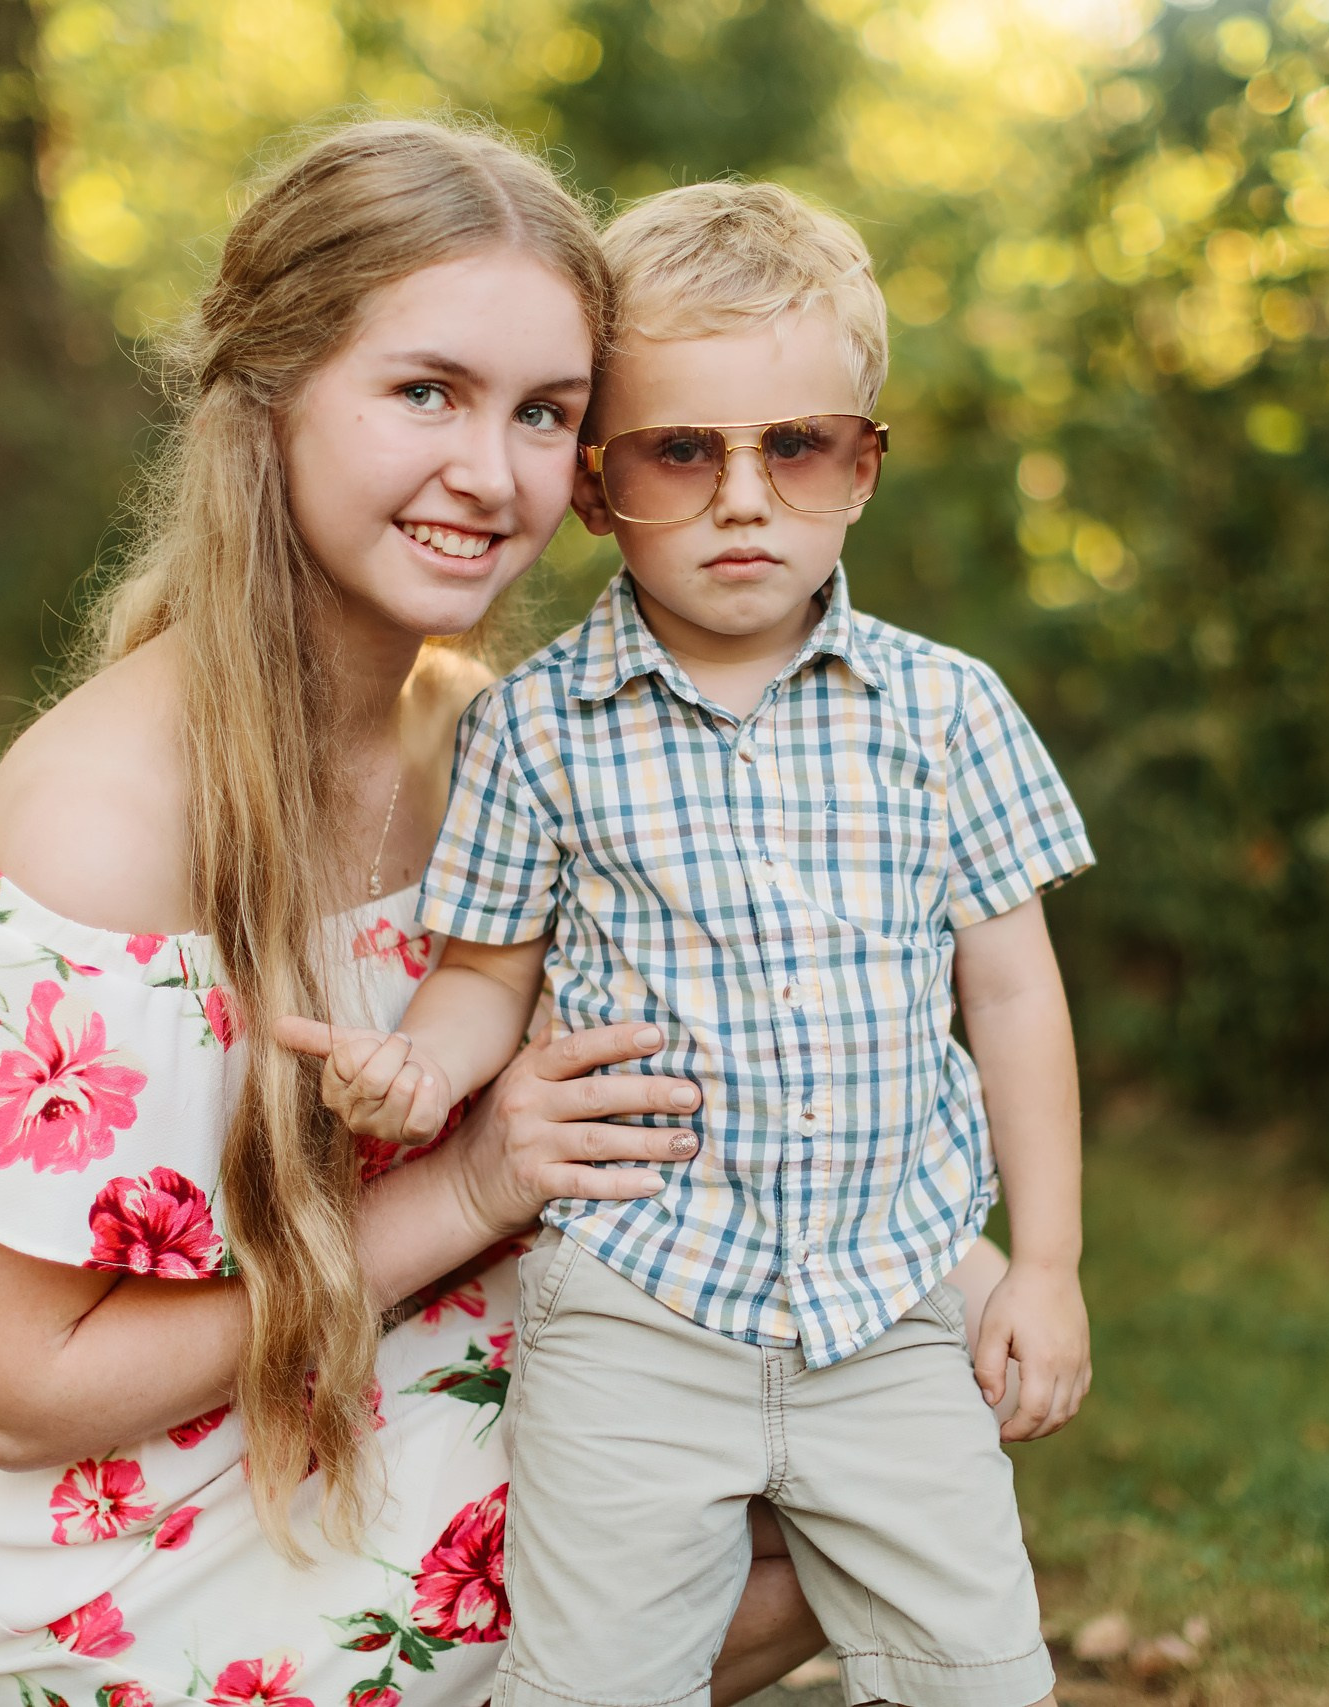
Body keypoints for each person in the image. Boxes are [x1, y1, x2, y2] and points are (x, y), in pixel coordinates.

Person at [0, 122, 853, 1707]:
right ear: (267, 398)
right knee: (788, 1537)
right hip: (119, 1533)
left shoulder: (477, 735)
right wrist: (469, 1189)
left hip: (365, 1349)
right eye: (427, 392)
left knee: (882, 1455)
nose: (494, 472)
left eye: (546, 414)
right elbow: (19, 1398)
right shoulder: (107, 823)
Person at [316, 181, 1094, 1707]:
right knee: (596, 1678)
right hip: (639, 1312)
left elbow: (1012, 993)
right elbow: (488, 976)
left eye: (795, 445)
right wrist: (420, 1066)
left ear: (863, 465)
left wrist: (1047, 1266)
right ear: (599, 488)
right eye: (683, 452)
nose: (745, 500)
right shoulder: (535, 730)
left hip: (892, 1305)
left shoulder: (946, 714)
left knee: (980, 1677)